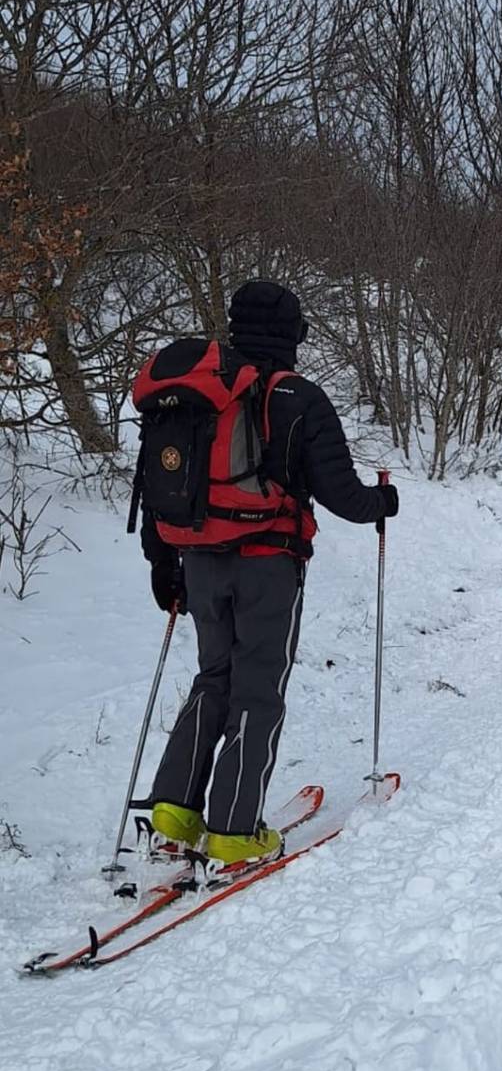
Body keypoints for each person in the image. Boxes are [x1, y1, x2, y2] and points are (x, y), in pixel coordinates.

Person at [142, 279, 398, 869]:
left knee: (214, 677)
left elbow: (155, 490)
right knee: (258, 688)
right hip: (268, 565)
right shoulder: (298, 398)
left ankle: (175, 813)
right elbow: (343, 496)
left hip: (198, 562)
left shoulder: (194, 396)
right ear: (293, 335)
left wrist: (164, 566)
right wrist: (383, 504)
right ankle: (234, 831)